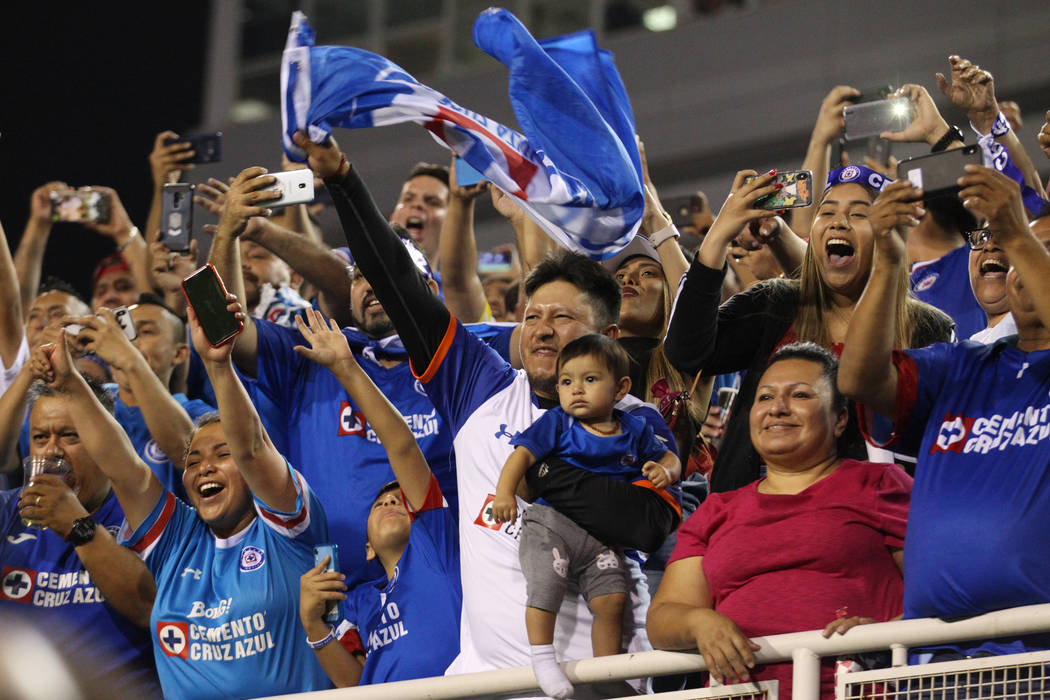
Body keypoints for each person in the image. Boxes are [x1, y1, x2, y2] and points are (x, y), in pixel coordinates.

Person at [292, 130, 678, 690]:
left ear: (609, 337)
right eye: (533, 315)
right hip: (487, 683)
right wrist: (344, 182)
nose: (543, 328)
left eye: (563, 317)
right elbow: (401, 285)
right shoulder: (480, 385)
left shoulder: (639, 418)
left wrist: (537, 470)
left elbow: (644, 523)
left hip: (600, 680)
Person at [30, 299, 332, 698]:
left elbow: (254, 448)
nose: (204, 467)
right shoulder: (176, 540)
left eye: (223, 455)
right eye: (192, 460)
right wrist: (70, 384)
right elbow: (126, 470)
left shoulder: (290, 530)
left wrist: (218, 365)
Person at [205, 165, 459, 581]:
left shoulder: (464, 360)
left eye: (388, 273)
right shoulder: (309, 351)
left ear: (428, 288)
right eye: (360, 275)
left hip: (447, 587)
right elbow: (221, 330)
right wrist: (229, 232)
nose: (371, 284)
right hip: (333, 606)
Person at [839, 167, 1050, 660]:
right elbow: (857, 379)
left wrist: (1018, 229)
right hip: (937, 654)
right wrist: (890, 263)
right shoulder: (959, 366)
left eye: (1036, 253)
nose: (1008, 257)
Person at [666, 163, 953, 493]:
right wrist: (718, 236)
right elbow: (686, 352)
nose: (838, 222)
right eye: (826, 212)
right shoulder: (774, 304)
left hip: (867, 524)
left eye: (860, 214)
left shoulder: (929, 329)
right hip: (753, 518)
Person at [648, 342, 911, 699]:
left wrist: (885, 634)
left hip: (857, 690)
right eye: (765, 397)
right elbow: (663, 617)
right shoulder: (717, 509)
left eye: (800, 394)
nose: (778, 409)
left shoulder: (880, 484)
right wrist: (699, 622)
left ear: (840, 419)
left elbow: (937, 589)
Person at [492, 333, 680, 698]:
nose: (575, 389)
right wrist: (504, 493)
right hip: (551, 526)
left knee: (612, 597)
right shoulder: (558, 422)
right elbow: (521, 456)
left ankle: (605, 671)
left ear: (620, 387)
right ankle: (543, 658)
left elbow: (670, 457)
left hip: (600, 540)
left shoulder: (635, 428)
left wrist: (666, 472)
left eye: (589, 379)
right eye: (566, 381)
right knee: (545, 586)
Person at [295, 308, 461, 687]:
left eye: (401, 499)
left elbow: (401, 446)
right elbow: (352, 686)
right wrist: (313, 624)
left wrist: (345, 368)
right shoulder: (358, 603)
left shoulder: (438, 545)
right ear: (367, 548)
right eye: (380, 503)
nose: (390, 501)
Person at [0, 366, 159, 695]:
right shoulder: (7, 512)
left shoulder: (144, 512)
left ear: (105, 440)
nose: (52, 451)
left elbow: (149, 609)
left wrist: (77, 527)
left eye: (70, 436)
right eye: (41, 437)